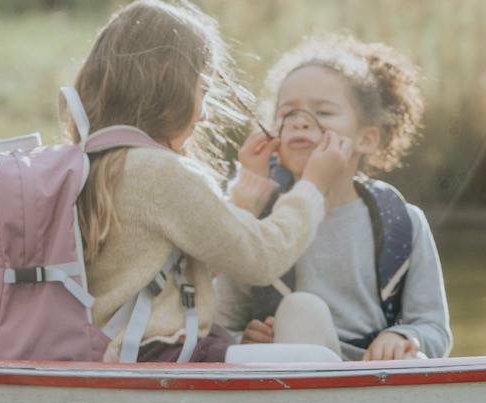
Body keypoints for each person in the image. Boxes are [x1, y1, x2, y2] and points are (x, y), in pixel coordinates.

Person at [73, 1, 354, 362]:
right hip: (157, 355)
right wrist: (313, 186)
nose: (204, 114)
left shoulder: (93, 160)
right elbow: (262, 257)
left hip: (113, 353)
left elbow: (189, 255)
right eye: (203, 91)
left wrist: (249, 187)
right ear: (165, 77)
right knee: (317, 362)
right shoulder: (161, 173)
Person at [216, 34, 452, 361]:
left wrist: (403, 336)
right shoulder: (260, 220)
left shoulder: (403, 222)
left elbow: (434, 329)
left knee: (416, 357)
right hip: (293, 386)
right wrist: (243, 343)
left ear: (366, 139)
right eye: (287, 113)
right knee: (301, 309)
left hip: (377, 382)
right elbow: (217, 325)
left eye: (323, 112)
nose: (300, 121)